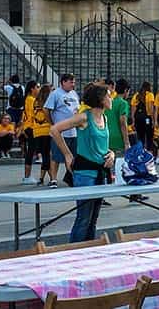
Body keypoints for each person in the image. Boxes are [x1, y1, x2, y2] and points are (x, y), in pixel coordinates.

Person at [50, 82, 116, 242]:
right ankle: (74, 252)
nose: (111, 97)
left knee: (94, 218)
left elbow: (103, 146)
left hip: (101, 172)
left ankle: (89, 250)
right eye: (108, 95)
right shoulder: (84, 117)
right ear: (100, 99)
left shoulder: (104, 118)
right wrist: (67, 154)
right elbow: (54, 130)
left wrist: (111, 154)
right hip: (85, 173)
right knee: (84, 218)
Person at [46, 73, 80, 186]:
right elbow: (47, 110)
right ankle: (53, 179)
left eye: (74, 82)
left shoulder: (74, 94)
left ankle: (71, 177)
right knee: (56, 156)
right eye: (71, 82)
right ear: (63, 82)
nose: (73, 84)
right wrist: (52, 124)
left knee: (72, 155)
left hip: (73, 131)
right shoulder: (55, 94)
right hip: (60, 132)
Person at [33, 84, 56, 186]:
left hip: (37, 131)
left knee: (44, 154)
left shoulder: (36, 102)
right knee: (48, 156)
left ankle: (41, 178)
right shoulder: (49, 102)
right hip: (47, 130)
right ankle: (52, 178)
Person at [20, 81, 41, 185]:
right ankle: (27, 176)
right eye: (37, 87)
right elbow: (33, 114)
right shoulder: (31, 100)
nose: (39, 89)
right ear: (32, 89)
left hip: (28, 126)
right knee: (31, 151)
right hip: (31, 127)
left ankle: (27, 176)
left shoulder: (28, 99)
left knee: (31, 150)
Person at [107, 79, 131, 155]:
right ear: (125, 90)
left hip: (107, 137)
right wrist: (127, 143)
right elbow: (123, 123)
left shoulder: (109, 102)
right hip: (118, 139)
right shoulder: (123, 103)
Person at [132, 80, 156, 152]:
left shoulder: (136, 95)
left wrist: (133, 120)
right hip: (147, 118)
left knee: (140, 136)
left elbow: (133, 109)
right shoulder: (150, 95)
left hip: (138, 119)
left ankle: (140, 151)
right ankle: (149, 152)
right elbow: (150, 109)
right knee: (149, 136)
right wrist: (153, 120)